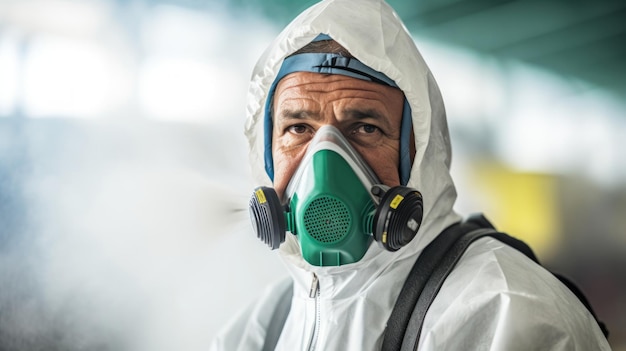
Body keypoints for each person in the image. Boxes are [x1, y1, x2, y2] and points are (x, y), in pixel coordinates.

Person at [210, 0, 611, 349]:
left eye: (366, 128)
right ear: (266, 154)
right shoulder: (257, 332)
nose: (325, 163)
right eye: (298, 129)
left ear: (420, 154)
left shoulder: (509, 316)